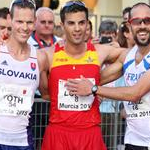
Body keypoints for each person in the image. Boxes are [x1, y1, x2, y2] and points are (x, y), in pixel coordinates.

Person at [40, 1, 125, 150]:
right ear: (62, 25)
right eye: (71, 23)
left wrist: (95, 85)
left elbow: (128, 57)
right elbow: (46, 93)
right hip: (58, 135)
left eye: (81, 22)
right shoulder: (48, 55)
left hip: (90, 134)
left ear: (87, 24)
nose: (77, 28)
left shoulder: (99, 52)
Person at [65, 2, 150, 150]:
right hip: (133, 140)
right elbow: (98, 78)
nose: (142, 25)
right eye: (137, 21)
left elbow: (135, 93)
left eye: (147, 21)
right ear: (129, 26)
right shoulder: (127, 56)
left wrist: (93, 89)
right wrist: (69, 82)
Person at [0, 0, 48, 150]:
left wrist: (91, 91)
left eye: (29, 22)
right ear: (10, 19)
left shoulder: (40, 57)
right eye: (19, 21)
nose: (25, 28)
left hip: (23, 142)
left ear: (34, 22)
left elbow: (47, 93)